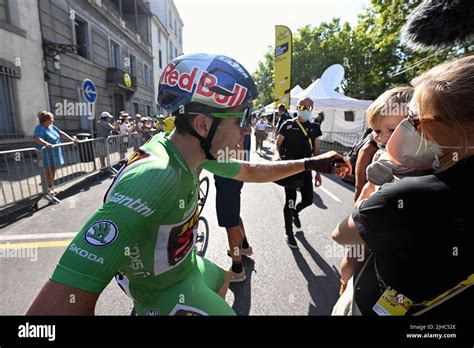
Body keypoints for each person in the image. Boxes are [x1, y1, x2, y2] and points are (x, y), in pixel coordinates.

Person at [27, 53, 351, 316]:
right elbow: (62, 298)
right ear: (203, 124)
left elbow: (251, 172)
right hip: (162, 289)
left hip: (185, 265)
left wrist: (312, 163)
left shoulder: (193, 151)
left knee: (224, 278)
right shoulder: (156, 176)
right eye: (241, 120)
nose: (247, 130)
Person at [331, 56, 474, 316]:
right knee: (348, 267)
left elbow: (342, 233)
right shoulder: (387, 161)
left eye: (418, 120)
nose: (406, 131)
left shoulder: (414, 194)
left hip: (380, 299)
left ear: (461, 127)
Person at [338, 86, 415, 295]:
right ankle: (344, 287)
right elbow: (366, 189)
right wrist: (361, 209)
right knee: (347, 267)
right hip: (374, 228)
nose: (381, 139)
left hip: (401, 245)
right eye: (378, 132)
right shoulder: (380, 158)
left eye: (390, 130)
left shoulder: (430, 163)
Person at [274, 97, 323, 248]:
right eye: (303, 106)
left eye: (309, 107)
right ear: (297, 107)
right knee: (290, 201)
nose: (305, 109)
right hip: (289, 168)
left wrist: (318, 172)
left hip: (306, 169)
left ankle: (296, 212)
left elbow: (317, 152)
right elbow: (277, 143)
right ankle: (289, 232)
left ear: (312, 109)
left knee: (308, 200)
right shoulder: (288, 124)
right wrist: (277, 156)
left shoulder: (315, 127)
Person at [214, 134, 253, 282]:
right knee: (233, 214)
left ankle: (237, 267)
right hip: (235, 176)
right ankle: (243, 245)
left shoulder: (229, 127)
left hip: (227, 178)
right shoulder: (241, 125)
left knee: (230, 224)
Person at [33, 111, 79, 196]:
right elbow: (36, 138)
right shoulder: (40, 128)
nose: (53, 120)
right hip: (47, 152)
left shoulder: (52, 127)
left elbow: (61, 133)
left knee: (53, 169)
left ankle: (51, 186)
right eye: (51, 118)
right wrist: (45, 143)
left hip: (56, 151)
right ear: (46, 120)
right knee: (48, 170)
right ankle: (48, 188)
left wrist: (71, 139)